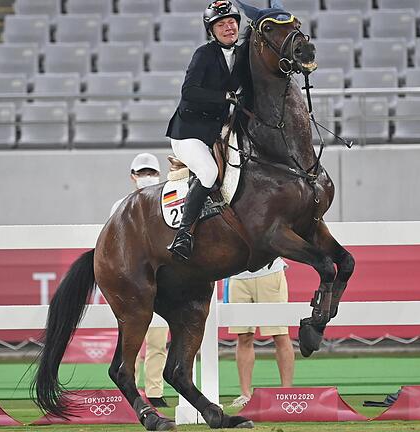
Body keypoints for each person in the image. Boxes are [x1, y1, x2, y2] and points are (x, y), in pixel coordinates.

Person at [165, 0, 251, 261]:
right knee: (209, 171)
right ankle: (184, 234)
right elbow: (189, 91)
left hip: (217, 131)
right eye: (221, 24)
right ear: (212, 31)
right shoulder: (204, 54)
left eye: (232, 22)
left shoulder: (241, 54)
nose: (229, 28)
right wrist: (225, 96)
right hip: (188, 133)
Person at [109, 153, 170, 408]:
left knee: (158, 340)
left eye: (151, 173)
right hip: (133, 282)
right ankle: (130, 389)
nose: (147, 177)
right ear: (133, 176)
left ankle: (154, 393)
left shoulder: (166, 202)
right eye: (142, 173)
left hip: (160, 279)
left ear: (159, 174)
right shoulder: (120, 205)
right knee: (130, 339)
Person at [227, 258, 295, 407]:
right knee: (243, 337)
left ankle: (286, 394)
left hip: (270, 273)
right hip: (237, 276)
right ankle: (245, 395)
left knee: (280, 335)